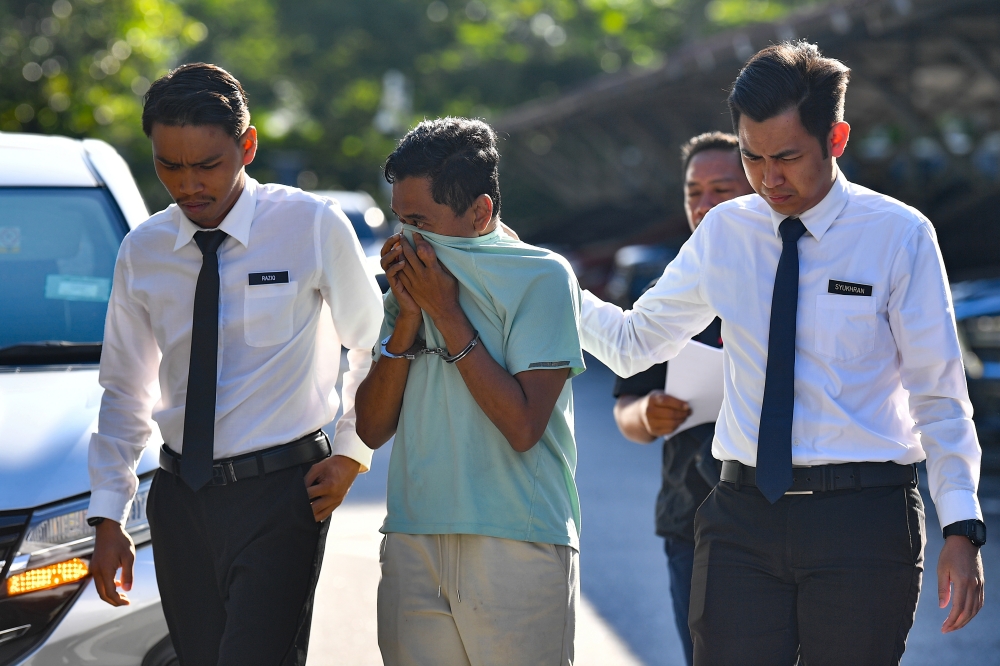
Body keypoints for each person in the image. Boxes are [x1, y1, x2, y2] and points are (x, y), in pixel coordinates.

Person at [581, 42, 985, 664]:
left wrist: (961, 526)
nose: (769, 178)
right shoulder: (725, 232)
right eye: (752, 157)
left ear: (837, 138)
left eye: (788, 157)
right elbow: (636, 344)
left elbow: (939, 395)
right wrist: (546, 280)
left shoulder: (900, 237)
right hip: (740, 519)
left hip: (865, 521)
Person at [86, 63, 383, 665]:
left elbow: (371, 343)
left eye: (207, 165)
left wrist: (353, 452)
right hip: (178, 502)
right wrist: (108, 516)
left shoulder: (311, 225)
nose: (188, 184)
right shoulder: (142, 250)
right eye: (169, 165)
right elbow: (124, 388)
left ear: (246, 146)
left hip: (282, 494)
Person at [355, 117, 585, 666]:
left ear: (480, 212)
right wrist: (408, 318)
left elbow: (523, 426)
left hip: (517, 544)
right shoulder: (407, 286)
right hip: (414, 538)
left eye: (421, 222)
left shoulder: (542, 277)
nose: (408, 239)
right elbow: (370, 427)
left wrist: (445, 312)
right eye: (400, 220)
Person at [611, 131, 753, 665]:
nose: (704, 205)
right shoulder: (667, 288)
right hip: (690, 515)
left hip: (784, 516)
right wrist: (647, 415)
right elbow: (625, 407)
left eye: (722, 189)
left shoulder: (796, 274)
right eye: (694, 191)